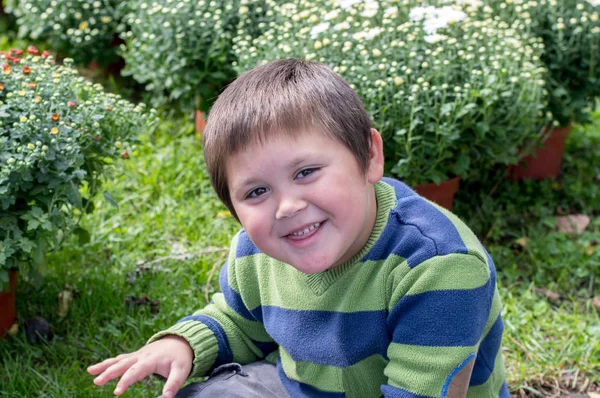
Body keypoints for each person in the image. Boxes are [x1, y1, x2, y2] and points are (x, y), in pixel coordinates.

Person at [88, 59, 508, 398]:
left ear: (369, 156)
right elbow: (240, 322)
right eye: (256, 192)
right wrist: (182, 345)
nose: (287, 206)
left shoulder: (437, 266)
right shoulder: (256, 254)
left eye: (306, 171)